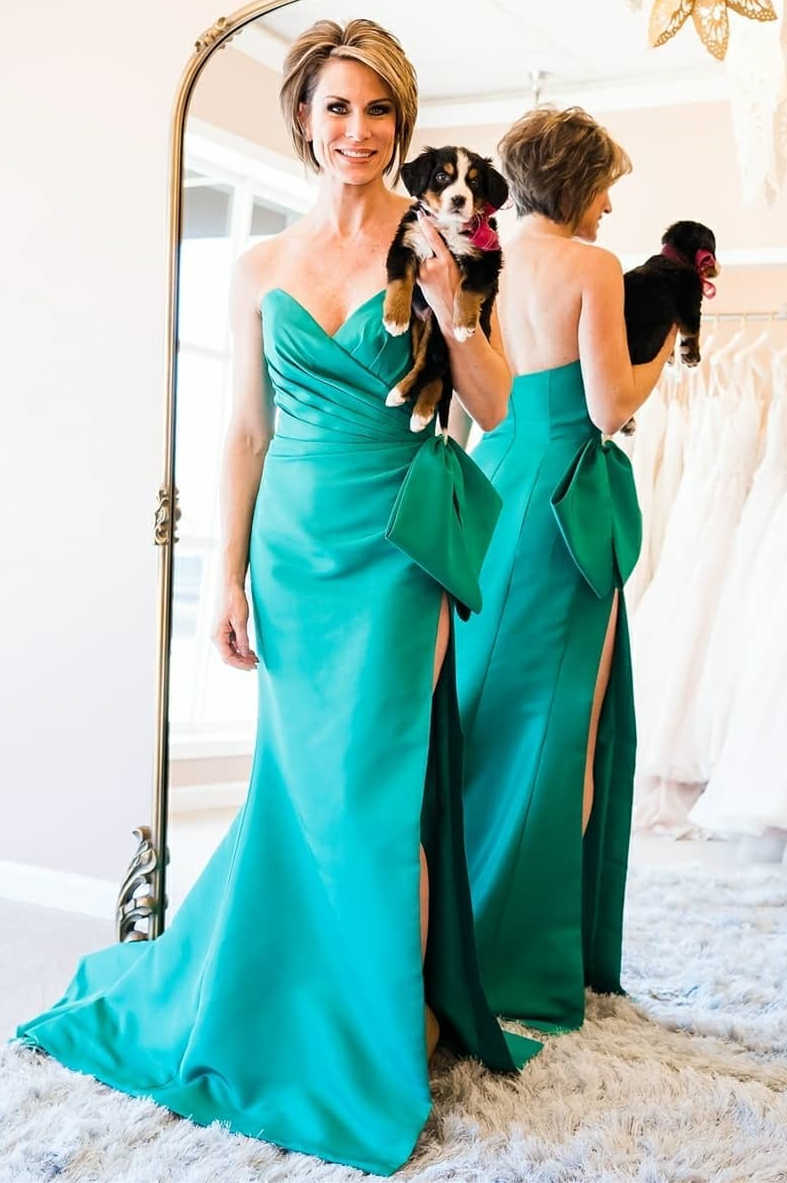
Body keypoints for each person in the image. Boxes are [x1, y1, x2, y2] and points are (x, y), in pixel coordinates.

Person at [14, 20, 540, 1177]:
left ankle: (382, 1036)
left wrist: (454, 307)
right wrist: (227, 572)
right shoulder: (258, 266)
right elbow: (246, 429)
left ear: (402, 121)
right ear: (303, 115)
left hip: (399, 548)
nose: (358, 131)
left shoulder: (436, 239)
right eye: (338, 108)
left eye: (379, 110)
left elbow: (498, 408)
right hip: (296, 552)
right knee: (301, 790)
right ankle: (297, 1001)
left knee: (375, 797)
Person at [453, 107, 676, 1031]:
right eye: (606, 186)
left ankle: (455, 933)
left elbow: (472, 403)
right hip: (558, 507)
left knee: (483, 719)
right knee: (561, 731)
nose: (610, 205)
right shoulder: (589, 266)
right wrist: (663, 349)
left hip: (494, 488)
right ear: (577, 181)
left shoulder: (485, 261)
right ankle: (529, 957)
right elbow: (608, 405)